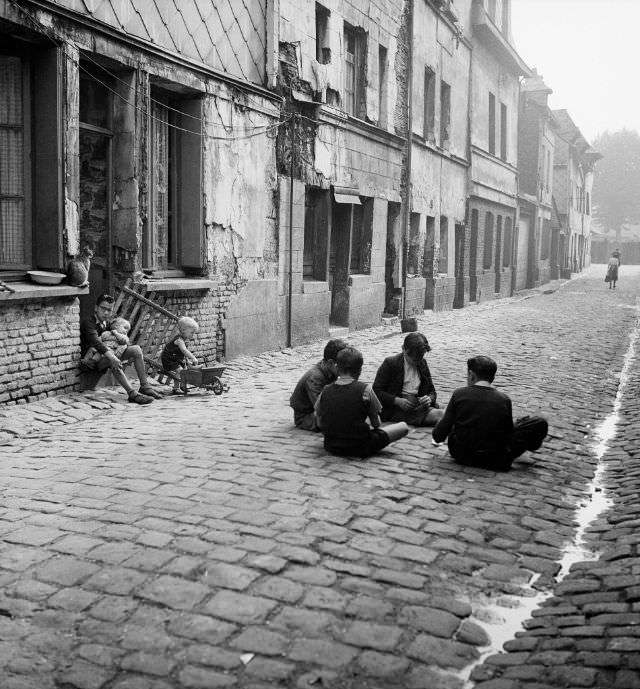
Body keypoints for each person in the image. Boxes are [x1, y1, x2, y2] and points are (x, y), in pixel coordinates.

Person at [432, 355, 548, 472]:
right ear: (492, 378)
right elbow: (507, 434)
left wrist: (448, 414)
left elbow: (438, 436)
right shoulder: (504, 399)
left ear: (471, 375)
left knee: (454, 418)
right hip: (495, 458)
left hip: (461, 454)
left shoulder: (459, 394)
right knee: (539, 422)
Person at [315, 347, 409, 458]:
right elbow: (376, 424)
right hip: (360, 446)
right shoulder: (365, 390)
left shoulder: (325, 390)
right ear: (359, 370)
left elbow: (319, 421)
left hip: (331, 445)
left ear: (337, 367)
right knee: (403, 427)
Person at [80, 294, 162, 404]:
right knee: (112, 358)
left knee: (136, 349)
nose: (105, 313)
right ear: (96, 308)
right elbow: (96, 342)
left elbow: (117, 341)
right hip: (92, 361)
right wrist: (112, 356)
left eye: (109, 310)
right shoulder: (89, 322)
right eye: (103, 309)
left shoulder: (108, 324)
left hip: (106, 356)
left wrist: (123, 346)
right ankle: (132, 394)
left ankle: (145, 386)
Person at [373, 332, 444, 426]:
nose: (417, 362)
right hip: (397, 410)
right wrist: (396, 400)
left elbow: (432, 391)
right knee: (442, 415)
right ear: (404, 350)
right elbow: (376, 391)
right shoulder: (391, 363)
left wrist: (429, 399)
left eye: (420, 358)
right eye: (414, 360)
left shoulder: (422, 363)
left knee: (450, 411)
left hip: (418, 405)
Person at [289, 339, 348, 431]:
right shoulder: (314, 378)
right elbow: (321, 407)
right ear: (331, 363)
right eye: (342, 366)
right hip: (306, 417)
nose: (344, 370)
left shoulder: (330, 371)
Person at [161, 317, 200, 394]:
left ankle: (183, 385)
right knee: (180, 371)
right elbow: (184, 350)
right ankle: (176, 388)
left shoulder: (184, 340)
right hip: (169, 359)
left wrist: (187, 361)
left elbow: (182, 353)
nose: (193, 335)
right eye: (192, 332)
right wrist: (193, 358)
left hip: (176, 358)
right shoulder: (179, 340)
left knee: (185, 370)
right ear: (183, 330)